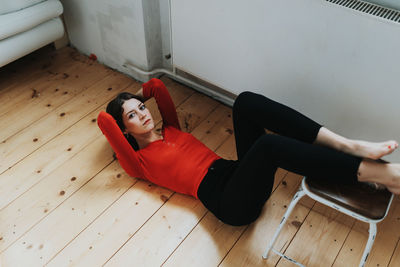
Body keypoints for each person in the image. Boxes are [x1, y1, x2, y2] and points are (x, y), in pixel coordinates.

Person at [98, 78, 400, 226]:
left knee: (245, 102)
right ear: (123, 130)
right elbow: (105, 122)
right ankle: (379, 173)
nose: (143, 114)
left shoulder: (172, 129)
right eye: (133, 116)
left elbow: (157, 87)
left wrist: (139, 94)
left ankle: (344, 144)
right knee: (269, 146)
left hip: (237, 173)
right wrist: (122, 105)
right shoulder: (138, 163)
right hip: (229, 203)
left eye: (141, 108)